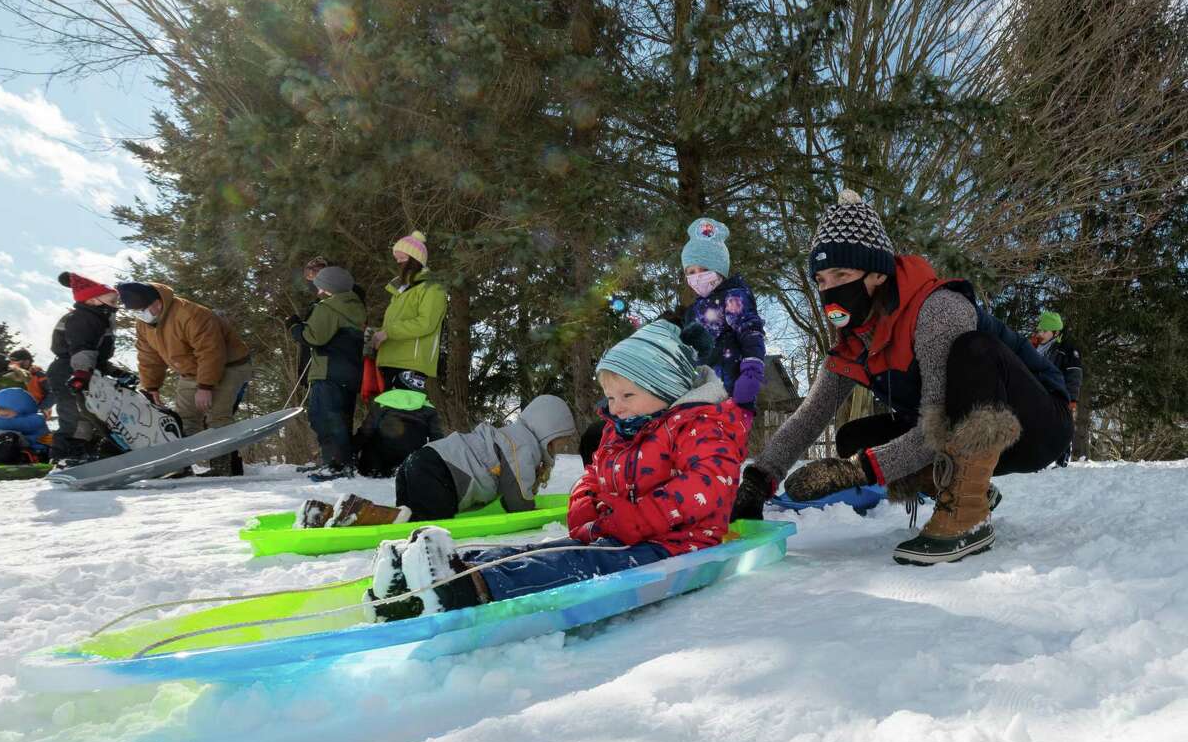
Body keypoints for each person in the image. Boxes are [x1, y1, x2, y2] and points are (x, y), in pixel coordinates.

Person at [731, 190, 1073, 565]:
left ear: (878, 273)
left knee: (974, 349)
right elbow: (810, 415)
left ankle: (969, 515)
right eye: (823, 280)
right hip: (964, 430)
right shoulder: (854, 341)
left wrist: (858, 472)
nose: (830, 289)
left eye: (842, 274)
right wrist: (758, 480)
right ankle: (966, 484)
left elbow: (935, 427)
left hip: (1038, 424)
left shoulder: (937, 310)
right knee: (854, 436)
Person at [362, 319, 748, 622]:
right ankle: (433, 574)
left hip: (673, 545)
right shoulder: (623, 428)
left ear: (668, 390)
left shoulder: (700, 426)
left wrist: (638, 520)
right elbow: (594, 475)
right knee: (543, 550)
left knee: (577, 564)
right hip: (617, 533)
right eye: (611, 397)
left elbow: (707, 485)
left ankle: (469, 588)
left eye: (627, 395)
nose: (616, 407)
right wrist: (584, 504)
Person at [117, 281, 253, 476]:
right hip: (191, 370)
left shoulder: (191, 314)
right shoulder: (143, 324)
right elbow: (148, 358)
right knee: (183, 419)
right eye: (137, 312)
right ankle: (182, 465)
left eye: (143, 309)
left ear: (157, 303)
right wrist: (151, 388)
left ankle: (225, 466)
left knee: (217, 414)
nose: (141, 314)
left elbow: (211, 352)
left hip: (229, 365)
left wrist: (205, 386)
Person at [393, 394, 577, 521]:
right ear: (550, 431)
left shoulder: (511, 435)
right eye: (563, 438)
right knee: (431, 526)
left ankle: (394, 517)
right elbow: (517, 493)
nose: (565, 445)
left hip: (421, 461)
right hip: (440, 470)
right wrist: (529, 511)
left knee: (409, 515)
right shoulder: (524, 443)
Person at [285, 266, 367, 481]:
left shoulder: (328, 308)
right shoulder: (355, 306)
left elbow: (314, 337)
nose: (318, 290)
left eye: (319, 285)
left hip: (328, 371)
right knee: (341, 418)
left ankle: (336, 465)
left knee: (324, 418)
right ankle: (339, 462)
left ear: (328, 287)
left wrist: (294, 326)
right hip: (350, 373)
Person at [678, 217, 767, 410]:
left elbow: (749, 331)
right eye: (690, 271)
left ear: (719, 269)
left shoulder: (733, 297)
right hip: (696, 395)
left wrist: (752, 371)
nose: (697, 276)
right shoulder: (692, 311)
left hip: (730, 393)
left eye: (704, 269)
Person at [48, 272, 125, 464]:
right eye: (111, 298)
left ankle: (85, 453)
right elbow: (82, 348)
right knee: (74, 414)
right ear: (92, 300)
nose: (116, 301)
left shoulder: (99, 317)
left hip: (85, 370)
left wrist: (116, 372)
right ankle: (65, 456)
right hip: (69, 370)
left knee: (92, 415)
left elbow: (96, 356)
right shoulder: (84, 318)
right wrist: (81, 373)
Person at [371, 230, 448, 389]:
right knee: (388, 412)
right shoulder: (400, 291)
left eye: (402, 258)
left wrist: (388, 332)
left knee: (402, 412)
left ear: (416, 260)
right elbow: (396, 325)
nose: (398, 262)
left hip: (411, 363)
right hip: (390, 360)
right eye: (396, 258)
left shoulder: (432, 287)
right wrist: (376, 334)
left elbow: (426, 323)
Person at [352, 369, 445, 478]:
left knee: (373, 440)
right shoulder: (429, 408)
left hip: (380, 456)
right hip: (411, 458)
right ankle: (401, 469)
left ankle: (373, 469)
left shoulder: (384, 401)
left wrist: (352, 450)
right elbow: (437, 438)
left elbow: (366, 430)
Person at [1030, 311, 1083, 466]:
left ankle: (1062, 459)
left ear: (1056, 332)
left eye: (1045, 331)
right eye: (1040, 330)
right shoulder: (1036, 346)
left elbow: (1074, 375)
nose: (1041, 334)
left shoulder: (1066, 349)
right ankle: (1036, 459)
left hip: (1059, 394)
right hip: (1038, 393)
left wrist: (1072, 398)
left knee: (1060, 427)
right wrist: (1029, 348)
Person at [0, 387, 50, 461]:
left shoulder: (36, 420)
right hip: (14, 450)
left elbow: (8, 424)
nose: (1, 414)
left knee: (7, 435)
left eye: (5, 414)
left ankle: (1, 461)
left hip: (35, 452)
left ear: (24, 407)